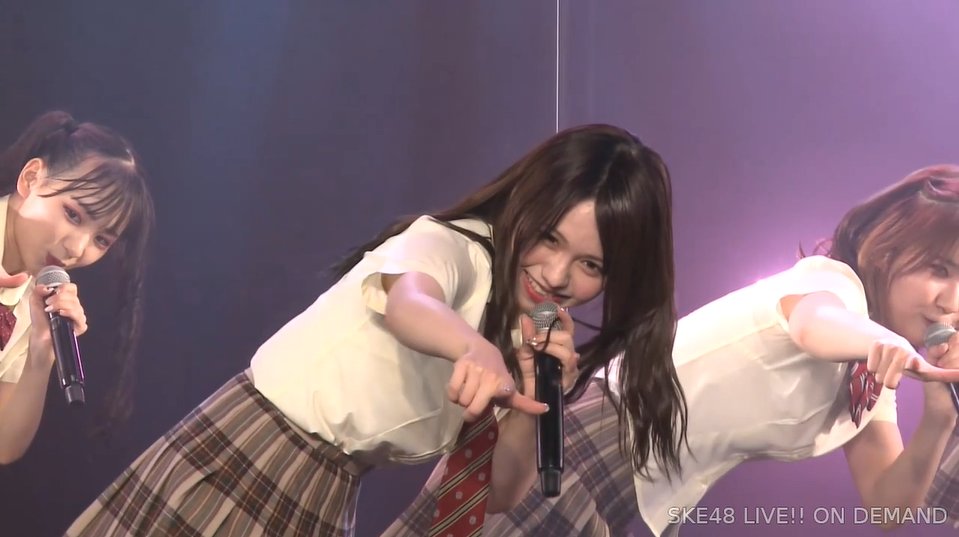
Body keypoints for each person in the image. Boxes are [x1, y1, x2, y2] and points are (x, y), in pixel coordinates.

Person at [65, 124, 686, 536]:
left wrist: (531, 399)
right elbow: (409, 302)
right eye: (549, 237)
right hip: (256, 451)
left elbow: (498, 493)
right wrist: (473, 347)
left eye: (591, 266)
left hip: (328, 492)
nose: (555, 275)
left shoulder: (529, 334)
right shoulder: (451, 246)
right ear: (527, 201)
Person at [385, 164, 959, 536]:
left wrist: (938, 413)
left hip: (639, 497)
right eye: (939, 269)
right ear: (888, 247)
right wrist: (887, 344)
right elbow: (815, 325)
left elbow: (888, 506)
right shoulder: (833, 286)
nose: (950, 302)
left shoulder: (869, 373)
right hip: (593, 441)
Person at [0, 110, 154, 463]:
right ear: (31, 179)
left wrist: (41, 357)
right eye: (73, 214)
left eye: (101, 240)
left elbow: (3, 448)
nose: (76, 249)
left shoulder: (37, 302)